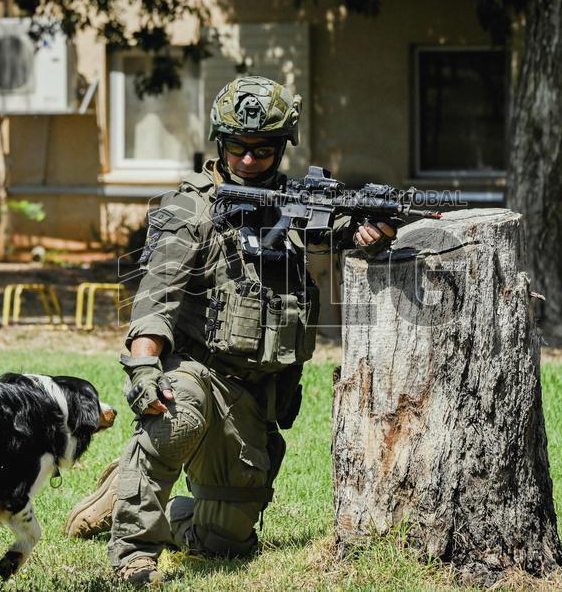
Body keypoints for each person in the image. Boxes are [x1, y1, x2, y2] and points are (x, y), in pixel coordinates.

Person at [64, 75, 396, 585]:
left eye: (262, 150)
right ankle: (134, 551)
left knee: (224, 542)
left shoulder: (297, 202)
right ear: (220, 142)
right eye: (238, 147)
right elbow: (155, 297)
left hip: (252, 394)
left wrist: (371, 232)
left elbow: (344, 230)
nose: (248, 160)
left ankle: (126, 492)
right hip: (195, 369)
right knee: (175, 417)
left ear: (282, 148)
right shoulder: (191, 208)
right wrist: (145, 368)